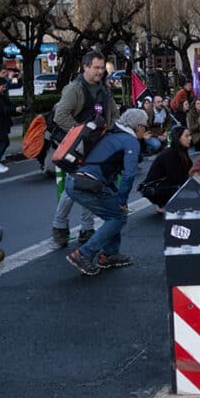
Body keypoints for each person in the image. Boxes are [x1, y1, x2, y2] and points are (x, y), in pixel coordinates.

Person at [63, 108, 146, 276]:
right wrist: (122, 200)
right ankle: (84, 254)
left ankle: (110, 254)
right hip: (88, 184)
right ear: (138, 127)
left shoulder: (109, 133)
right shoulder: (130, 141)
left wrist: (116, 196)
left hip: (75, 180)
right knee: (117, 216)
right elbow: (129, 174)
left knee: (114, 214)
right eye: (145, 126)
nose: (146, 129)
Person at [49, 50, 118, 248]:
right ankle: (60, 225)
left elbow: (113, 113)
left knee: (90, 184)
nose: (99, 72)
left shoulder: (104, 90)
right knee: (75, 184)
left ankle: (85, 228)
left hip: (98, 145)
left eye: (101, 68)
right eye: (96, 68)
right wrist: (81, 135)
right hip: (77, 146)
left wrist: (111, 132)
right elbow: (60, 116)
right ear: (85, 67)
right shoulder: (74, 89)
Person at [140, 125, 193, 214]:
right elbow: (176, 177)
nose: (190, 138)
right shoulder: (171, 153)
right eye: (186, 136)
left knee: (190, 183)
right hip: (153, 188)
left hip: (161, 184)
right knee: (187, 184)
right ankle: (163, 204)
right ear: (178, 138)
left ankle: (165, 204)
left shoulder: (181, 151)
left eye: (190, 135)